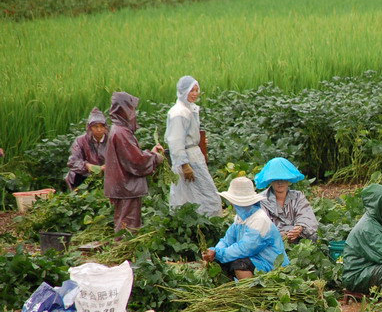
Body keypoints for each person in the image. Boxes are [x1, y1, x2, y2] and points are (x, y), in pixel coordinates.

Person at [202, 176, 289, 279]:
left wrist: (218, 253)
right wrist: (214, 251)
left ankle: (250, 291)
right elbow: (228, 240)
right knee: (222, 260)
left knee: (239, 263)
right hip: (255, 259)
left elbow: (245, 248)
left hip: (271, 264)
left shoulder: (259, 219)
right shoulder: (240, 217)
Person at [104, 92, 164, 232]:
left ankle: (123, 249)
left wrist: (151, 153)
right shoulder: (121, 132)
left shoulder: (119, 130)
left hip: (124, 186)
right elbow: (136, 160)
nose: (133, 112)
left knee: (125, 222)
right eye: (131, 108)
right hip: (126, 186)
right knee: (127, 226)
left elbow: (132, 154)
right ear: (123, 110)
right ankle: (123, 250)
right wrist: (155, 158)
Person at [164, 76, 222, 217]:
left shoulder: (188, 109)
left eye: (197, 90)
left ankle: (201, 223)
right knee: (205, 194)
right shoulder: (179, 112)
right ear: (183, 91)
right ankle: (201, 222)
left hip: (194, 155)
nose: (195, 94)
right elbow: (175, 141)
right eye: (191, 90)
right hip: (187, 158)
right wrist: (184, 164)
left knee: (193, 194)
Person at [255, 157, 318, 243]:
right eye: (276, 179)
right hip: (273, 242)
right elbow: (261, 227)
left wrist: (299, 228)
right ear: (270, 180)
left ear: (288, 180)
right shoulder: (261, 199)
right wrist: (282, 234)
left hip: (298, 238)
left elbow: (307, 217)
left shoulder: (298, 196)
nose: (280, 182)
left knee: (313, 236)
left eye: (283, 179)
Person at [65, 107, 109, 190]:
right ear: (90, 128)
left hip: (108, 175)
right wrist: (87, 166)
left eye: (101, 126)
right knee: (73, 173)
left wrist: (108, 166)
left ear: (105, 127)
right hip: (86, 175)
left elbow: (122, 158)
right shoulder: (81, 140)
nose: (99, 130)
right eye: (96, 127)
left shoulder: (112, 139)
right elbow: (73, 161)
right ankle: (78, 194)